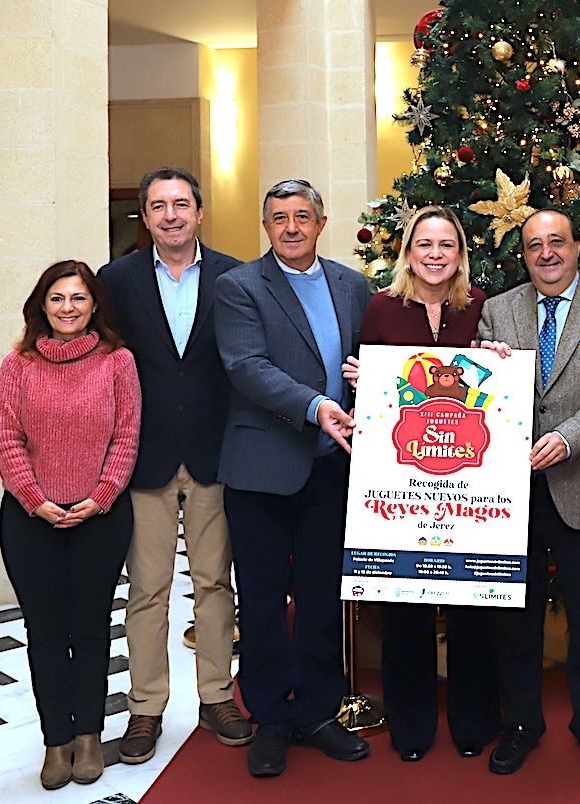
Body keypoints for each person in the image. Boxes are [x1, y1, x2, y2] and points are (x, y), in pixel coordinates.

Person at [475, 208, 580, 775]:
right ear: (522, 255)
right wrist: (485, 370)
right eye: (533, 246)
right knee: (513, 619)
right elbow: (480, 394)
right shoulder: (498, 312)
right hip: (510, 496)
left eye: (556, 242)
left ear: (576, 247)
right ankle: (520, 723)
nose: (546, 254)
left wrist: (567, 439)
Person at [214, 178, 372, 778]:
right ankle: (270, 719)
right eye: (279, 218)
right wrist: (315, 406)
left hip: (332, 468)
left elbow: (373, 357)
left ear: (322, 222)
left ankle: (315, 712)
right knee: (259, 600)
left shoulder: (351, 284)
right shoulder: (239, 288)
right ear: (266, 226)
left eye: (302, 216)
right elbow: (246, 366)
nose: (291, 227)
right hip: (261, 469)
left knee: (321, 596)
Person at [98, 166, 251, 764]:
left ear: (199, 211)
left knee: (215, 583)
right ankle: (145, 708)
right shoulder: (116, 280)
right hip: (145, 455)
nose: (170, 215)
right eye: (157, 206)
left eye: (180, 204)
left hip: (216, 453)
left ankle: (216, 696)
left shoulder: (236, 276)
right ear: (145, 215)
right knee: (147, 589)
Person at [341, 205, 501, 762]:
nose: (435, 255)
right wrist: (362, 378)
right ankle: (411, 725)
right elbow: (371, 392)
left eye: (447, 245)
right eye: (424, 244)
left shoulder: (481, 306)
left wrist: (497, 359)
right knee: (405, 601)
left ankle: (473, 721)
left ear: (460, 253)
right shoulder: (382, 308)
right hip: (404, 481)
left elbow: (497, 385)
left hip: (468, 485)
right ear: (408, 251)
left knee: (471, 604)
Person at [0, 260, 141, 790]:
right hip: (31, 520)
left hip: (100, 518)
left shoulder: (117, 362)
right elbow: (6, 441)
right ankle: (56, 741)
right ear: (42, 306)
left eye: (78, 298)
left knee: (92, 627)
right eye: (57, 298)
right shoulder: (19, 365)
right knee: (47, 633)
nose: (68, 308)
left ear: (94, 304)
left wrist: (99, 498)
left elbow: (126, 437)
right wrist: (37, 501)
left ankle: (89, 738)